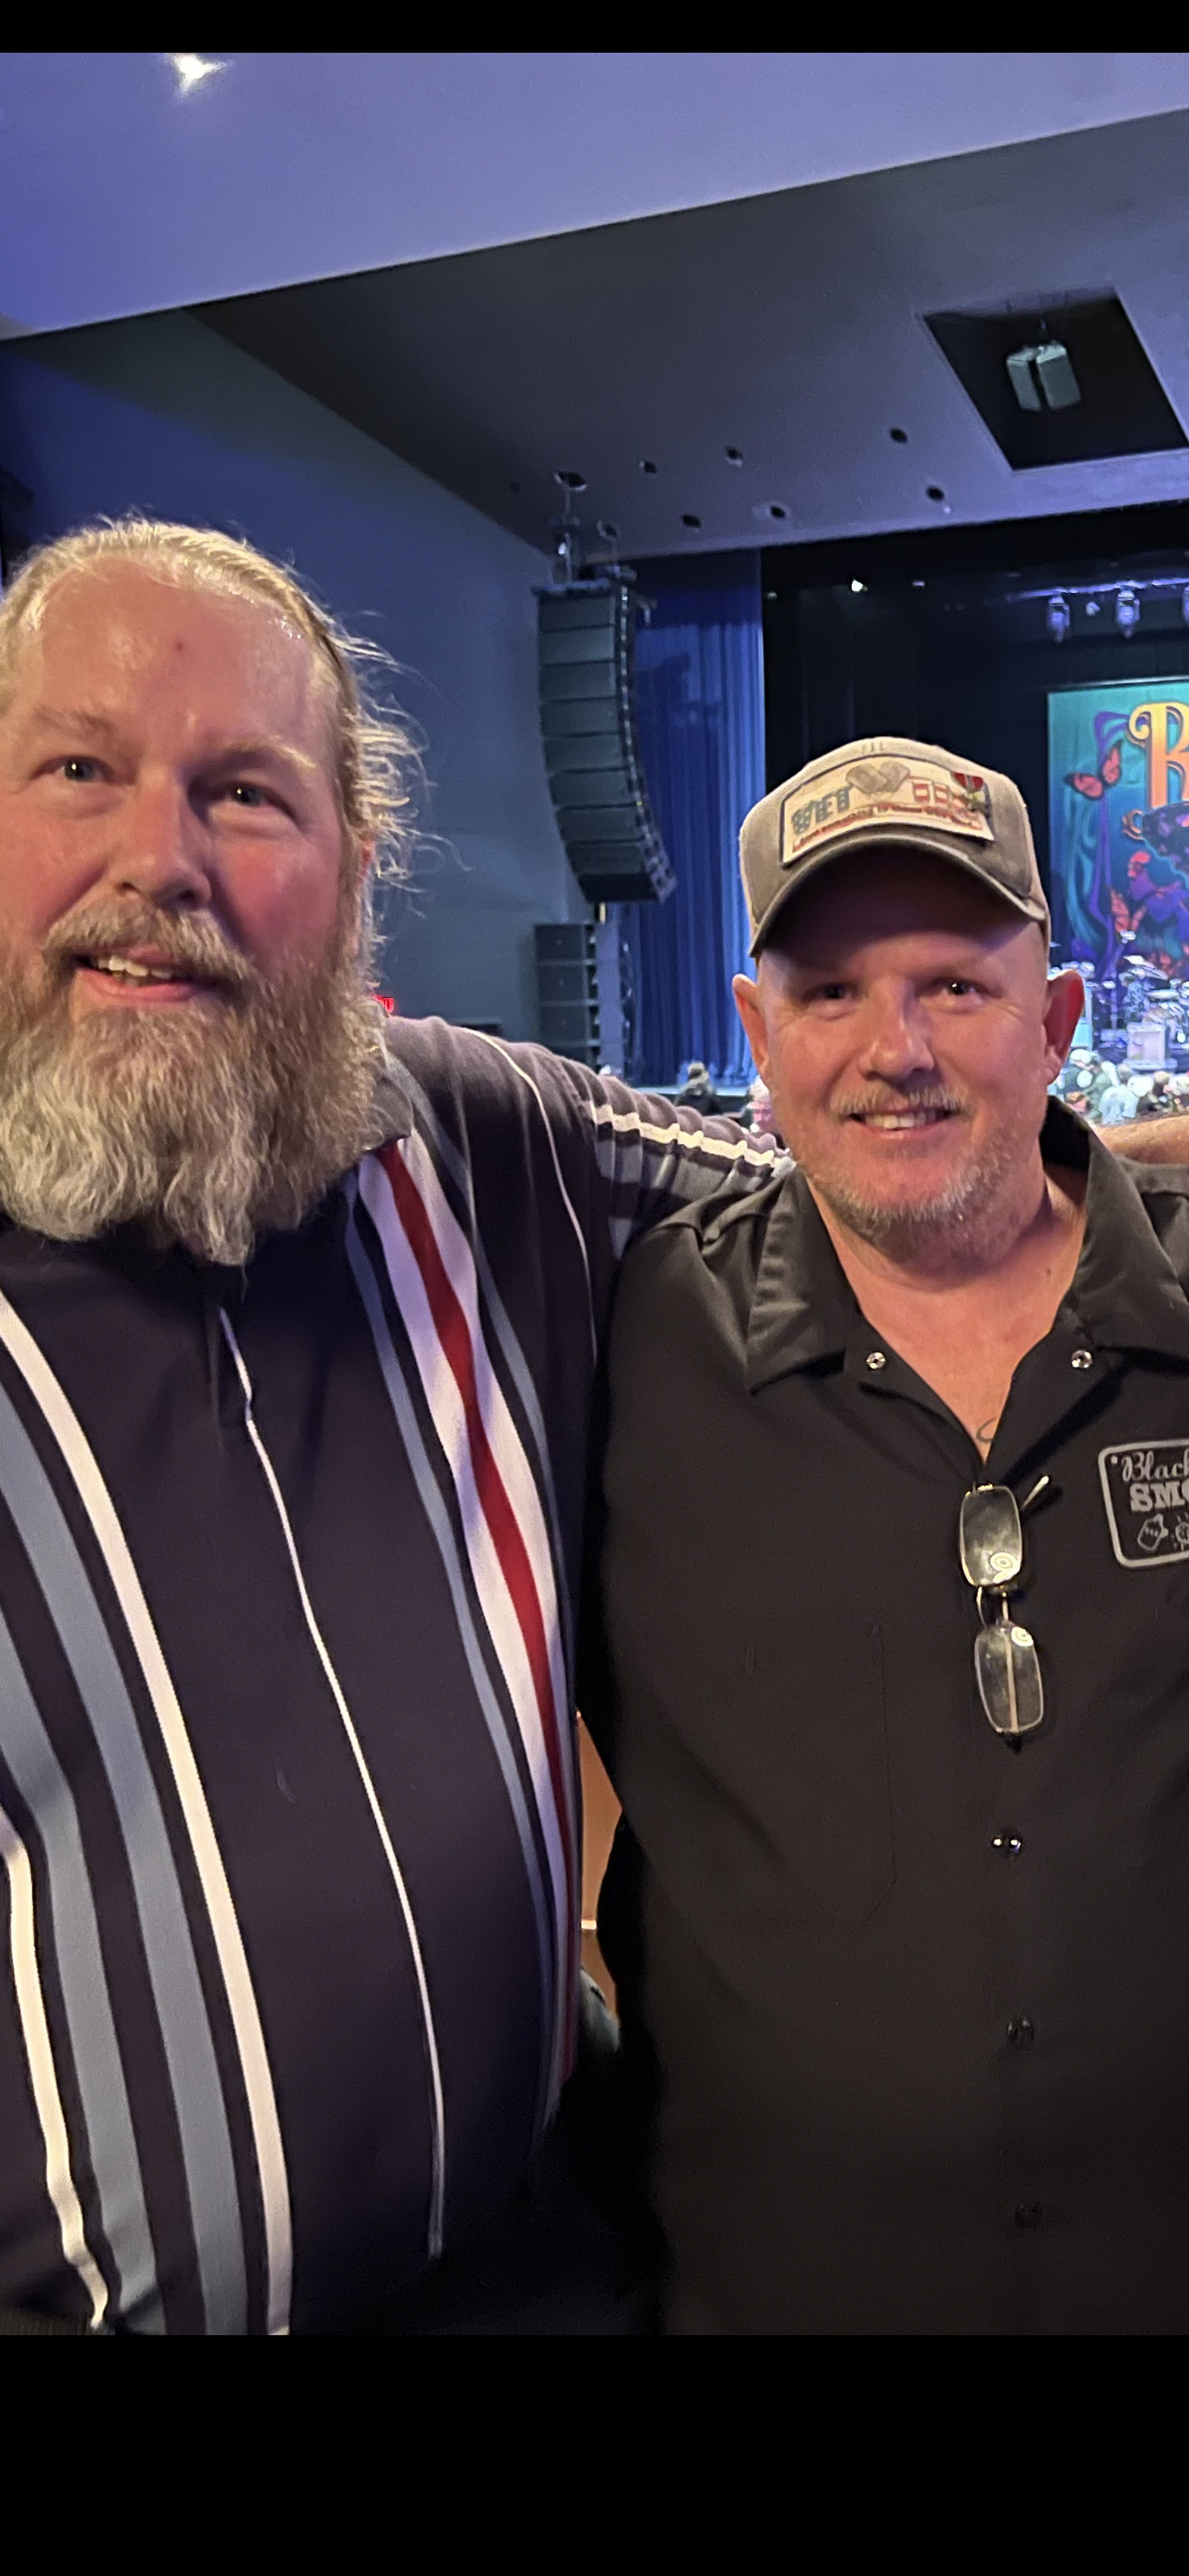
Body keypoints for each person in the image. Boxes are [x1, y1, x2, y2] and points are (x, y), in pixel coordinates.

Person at [0, 517, 779, 2336]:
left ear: (357, 863)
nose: (159, 859)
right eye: (78, 770)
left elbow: (887, 1192)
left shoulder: (487, 1145)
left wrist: (1114, 1176)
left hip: (550, 2273)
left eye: (245, 792)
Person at [593, 732, 1189, 2334]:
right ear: (756, 1032)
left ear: (1057, 1020)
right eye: (833, 991)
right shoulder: (633, 1337)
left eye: (955, 985)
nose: (894, 1048)